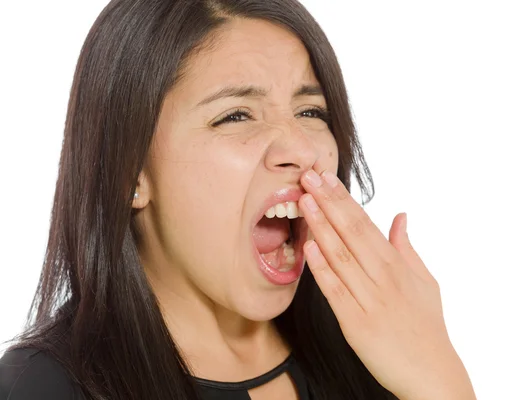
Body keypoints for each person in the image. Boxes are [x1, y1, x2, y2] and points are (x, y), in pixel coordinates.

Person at [0, 0, 477, 399]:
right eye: (236, 116)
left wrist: (438, 380)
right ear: (130, 174)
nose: (302, 149)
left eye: (311, 110)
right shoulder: (39, 387)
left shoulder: (378, 355)